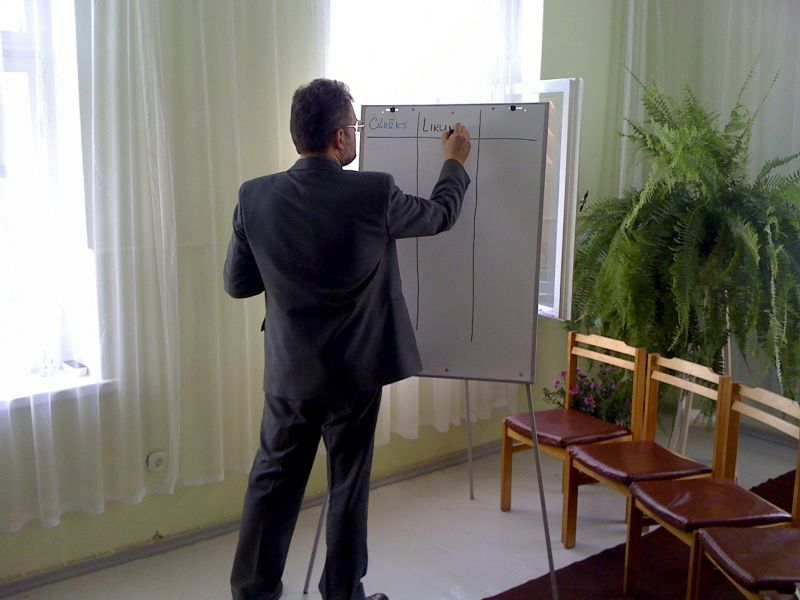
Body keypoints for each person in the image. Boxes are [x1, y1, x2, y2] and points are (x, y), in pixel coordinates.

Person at [224, 78, 472, 600]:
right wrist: (454, 163)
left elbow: (238, 284)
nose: (356, 134)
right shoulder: (373, 192)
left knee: (271, 482)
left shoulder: (254, 196)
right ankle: (341, 592)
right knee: (348, 485)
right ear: (340, 138)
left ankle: (253, 591)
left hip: (289, 372)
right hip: (355, 373)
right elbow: (440, 215)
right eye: (354, 127)